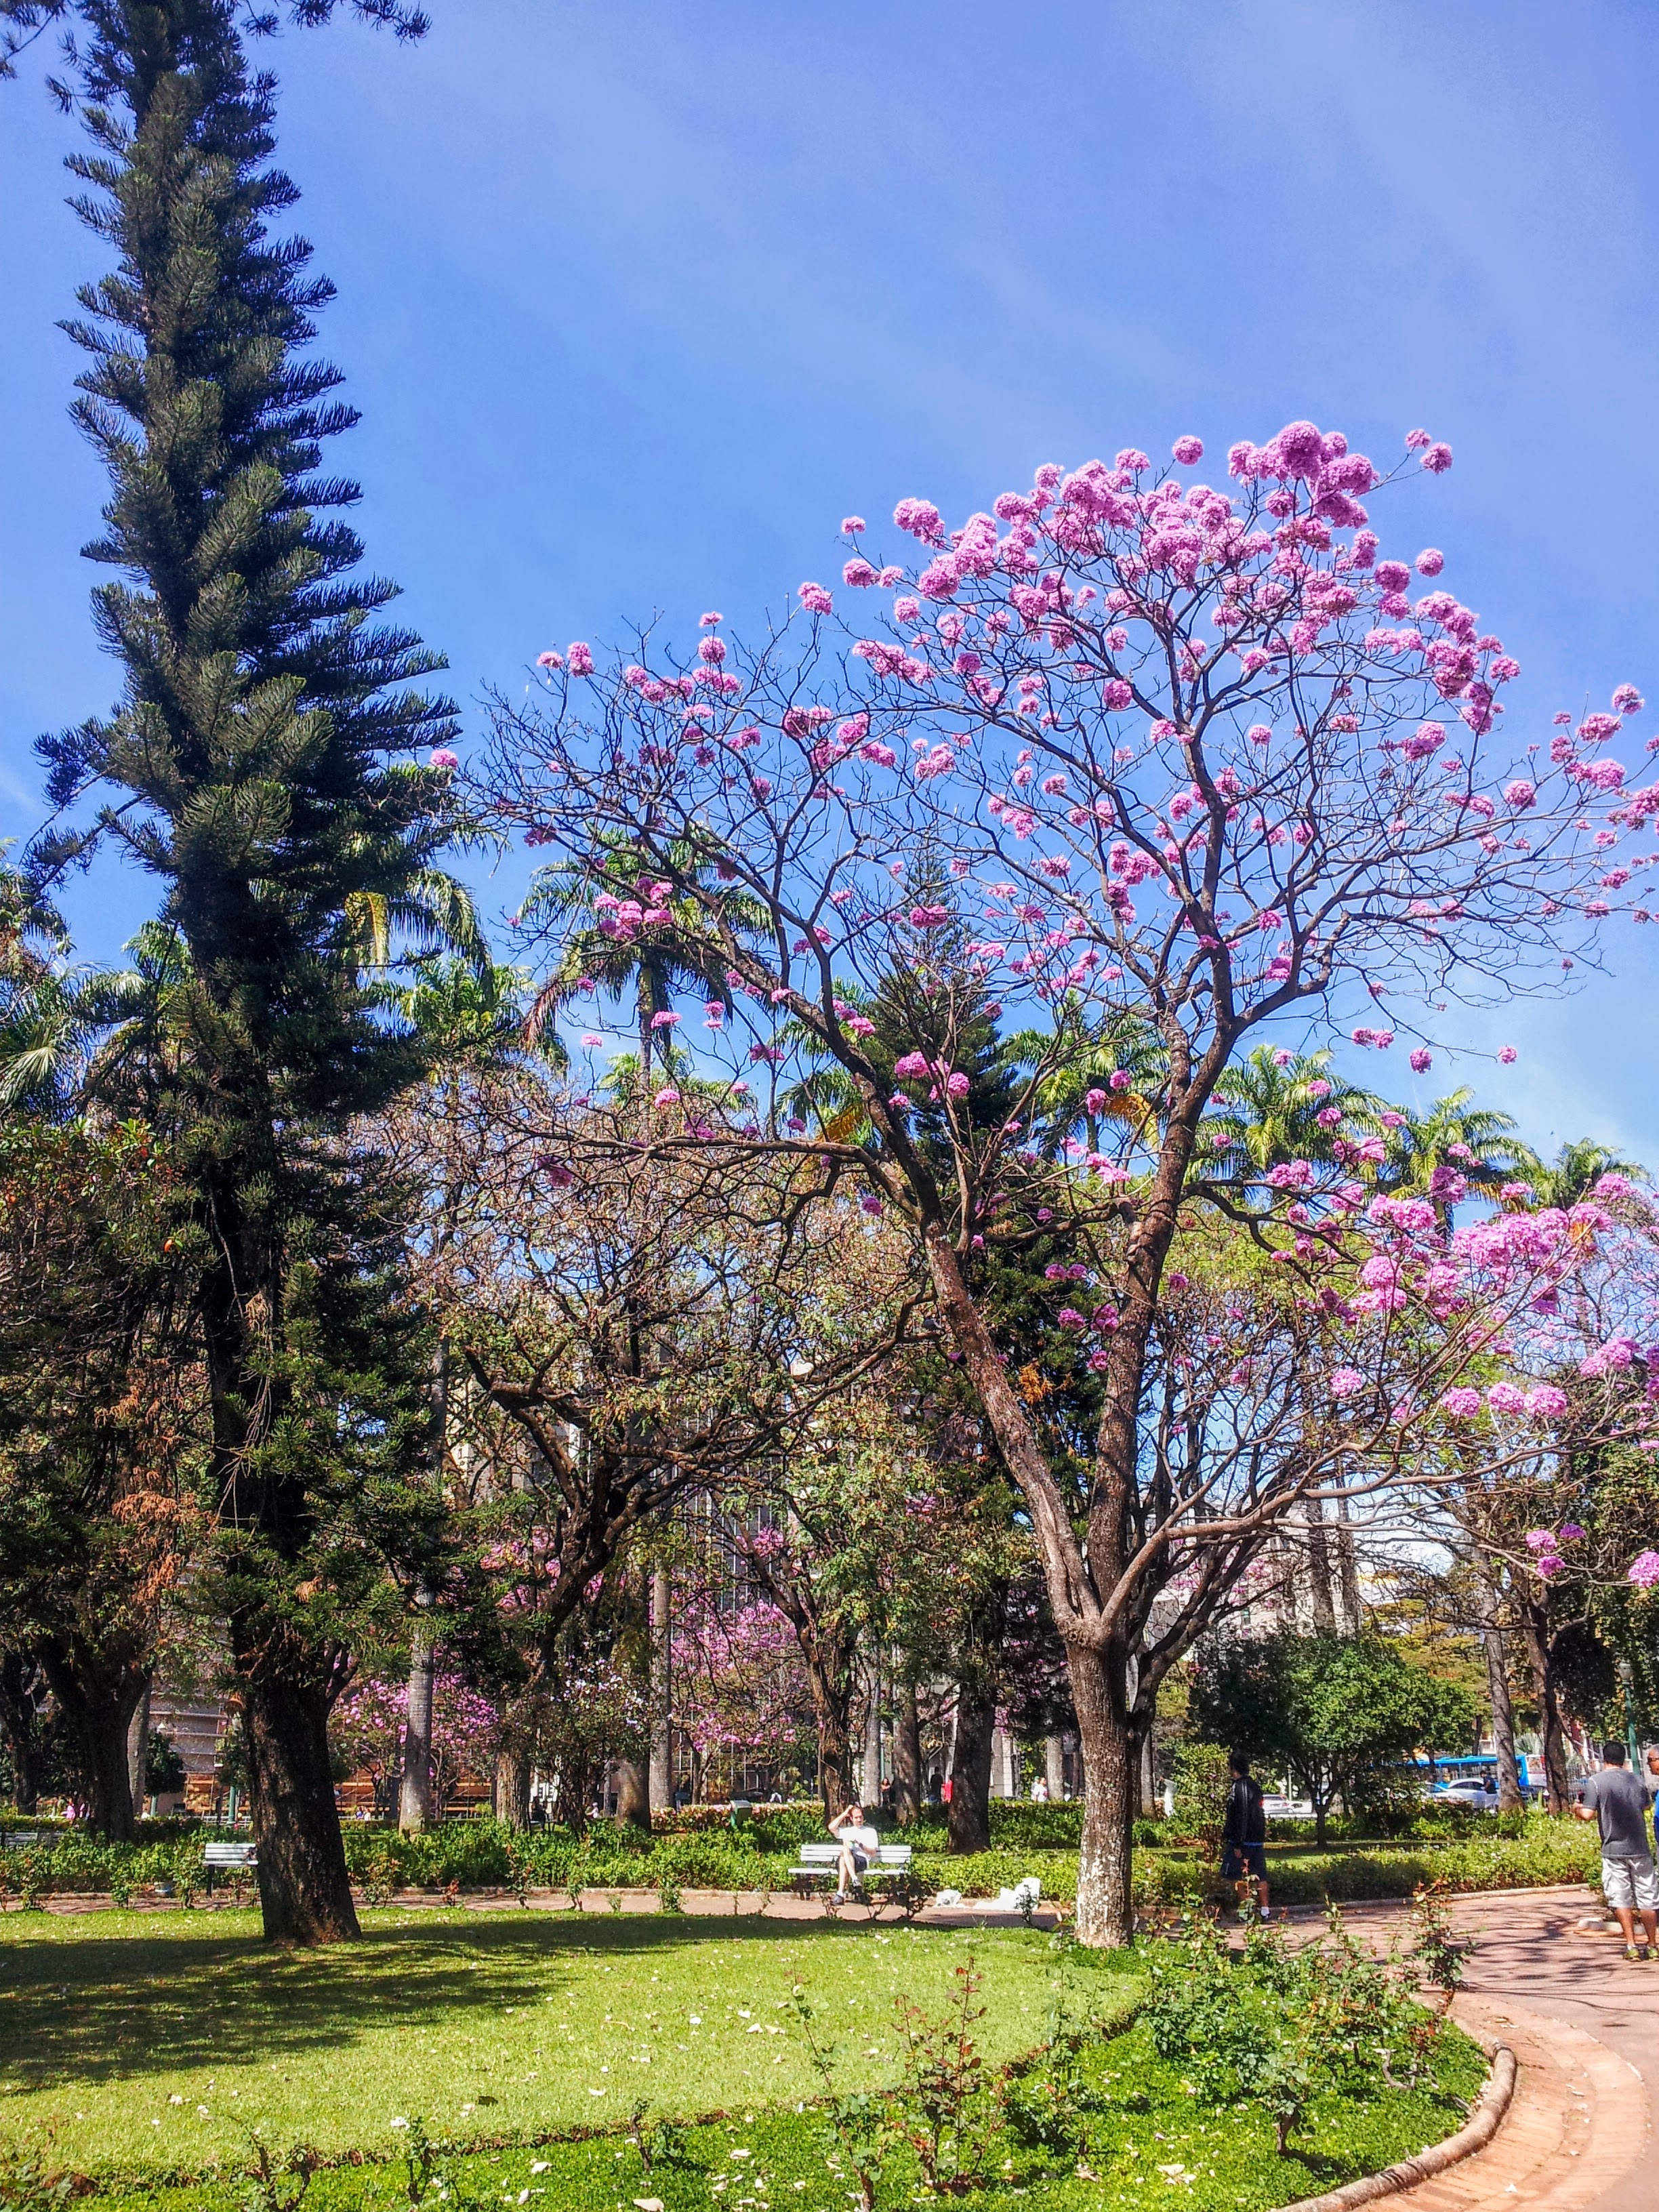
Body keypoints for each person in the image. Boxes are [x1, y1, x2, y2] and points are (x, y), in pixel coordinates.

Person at [1574, 1740, 1658, 1961]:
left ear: (1605, 1758)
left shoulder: (1596, 1782)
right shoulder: (1637, 1780)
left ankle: (1631, 1945)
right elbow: (1646, 1806)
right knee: (1648, 1897)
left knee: (1621, 1898)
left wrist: (1576, 1808)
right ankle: (1652, 1944)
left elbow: (1587, 1815)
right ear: (1623, 1759)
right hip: (1640, 1847)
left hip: (1613, 1849)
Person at [1221, 1752, 1271, 1921]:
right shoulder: (1255, 1786)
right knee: (1260, 1874)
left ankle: (1245, 1910)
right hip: (1256, 1839)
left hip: (1243, 1841)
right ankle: (1265, 1909)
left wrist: (1237, 1843)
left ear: (1233, 1767)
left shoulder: (1239, 1787)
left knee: (1236, 1875)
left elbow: (1241, 1815)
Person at [828, 1801, 879, 1902]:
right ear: (851, 1819)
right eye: (856, 1818)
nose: (859, 1820)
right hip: (849, 1861)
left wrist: (859, 1844)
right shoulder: (848, 1831)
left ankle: (840, 1895)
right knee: (845, 1851)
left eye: (860, 1817)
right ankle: (855, 1880)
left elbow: (873, 1852)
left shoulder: (870, 1832)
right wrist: (845, 1813)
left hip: (861, 1861)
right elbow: (831, 1827)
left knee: (843, 1856)